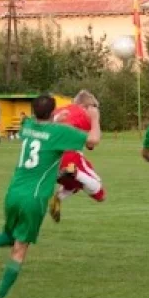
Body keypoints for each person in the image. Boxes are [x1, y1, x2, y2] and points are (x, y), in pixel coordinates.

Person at [0, 94, 101, 298]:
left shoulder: (27, 126)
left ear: (34, 111)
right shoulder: (58, 132)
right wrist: (95, 118)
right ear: (53, 112)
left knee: (10, 234)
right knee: (20, 248)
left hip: (13, 192)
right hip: (34, 197)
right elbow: (92, 140)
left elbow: (38, 127)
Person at [48, 91, 106, 223]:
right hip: (68, 156)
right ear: (87, 106)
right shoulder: (83, 113)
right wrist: (95, 119)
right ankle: (73, 172)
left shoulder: (59, 110)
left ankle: (58, 197)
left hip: (48, 160)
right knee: (100, 193)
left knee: (76, 184)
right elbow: (92, 143)